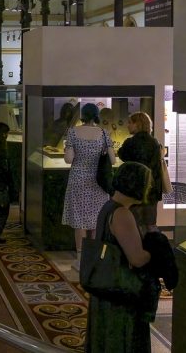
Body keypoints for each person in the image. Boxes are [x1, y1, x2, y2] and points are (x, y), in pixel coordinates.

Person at [84, 162, 159, 353]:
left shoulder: (108, 207)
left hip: (105, 290)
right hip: (119, 294)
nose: (149, 188)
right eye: (147, 183)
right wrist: (156, 253)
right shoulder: (122, 213)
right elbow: (136, 258)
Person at [63, 103, 116, 261]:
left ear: (83, 115)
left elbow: (68, 159)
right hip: (98, 182)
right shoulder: (104, 133)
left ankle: (80, 255)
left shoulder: (73, 132)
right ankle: (93, 254)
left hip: (78, 179)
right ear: (96, 115)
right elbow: (112, 160)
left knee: (79, 219)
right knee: (96, 219)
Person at [118, 112, 171, 232]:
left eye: (130, 123)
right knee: (151, 224)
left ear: (138, 124)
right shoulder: (156, 143)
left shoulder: (130, 143)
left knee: (134, 225)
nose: (128, 125)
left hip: (135, 191)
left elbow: (122, 155)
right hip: (152, 191)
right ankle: (153, 248)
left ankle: (135, 249)